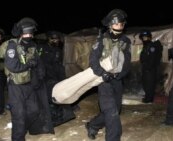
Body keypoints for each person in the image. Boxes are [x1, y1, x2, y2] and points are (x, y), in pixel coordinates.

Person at [2, 17, 54, 141]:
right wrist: (28, 65)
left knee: (34, 111)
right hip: (16, 86)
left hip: (29, 84)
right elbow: (12, 65)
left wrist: (40, 75)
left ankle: (22, 129)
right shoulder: (12, 45)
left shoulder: (32, 46)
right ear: (20, 33)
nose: (28, 35)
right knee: (19, 116)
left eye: (30, 33)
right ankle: (18, 137)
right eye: (26, 33)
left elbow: (38, 62)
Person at [85, 9, 131, 141]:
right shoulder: (101, 40)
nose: (119, 27)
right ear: (110, 25)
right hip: (103, 81)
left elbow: (127, 62)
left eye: (121, 25)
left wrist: (120, 75)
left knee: (114, 110)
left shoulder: (126, 41)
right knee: (111, 112)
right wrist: (103, 73)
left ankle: (92, 125)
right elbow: (93, 61)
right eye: (116, 25)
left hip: (117, 80)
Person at [37, 31, 75, 126]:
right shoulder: (41, 48)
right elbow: (37, 62)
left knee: (59, 96)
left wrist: (63, 79)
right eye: (54, 39)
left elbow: (59, 64)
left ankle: (61, 115)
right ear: (49, 39)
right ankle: (50, 117)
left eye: (57, 39)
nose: (56, 41)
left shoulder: (58, 50)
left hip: (56, 77)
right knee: (48, 98)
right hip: (45, 77)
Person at [139, 30, 163, 103]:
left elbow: (152, 58)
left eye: (145, 37)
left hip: (150, 69)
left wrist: (148, 68)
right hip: (146, 69)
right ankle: (148, 97)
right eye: (143, 38)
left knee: (149, 85)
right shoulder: (146, 46)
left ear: (149, 38)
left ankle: (149, 99)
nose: (144, 39)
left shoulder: (151, 46)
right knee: (146, 84)